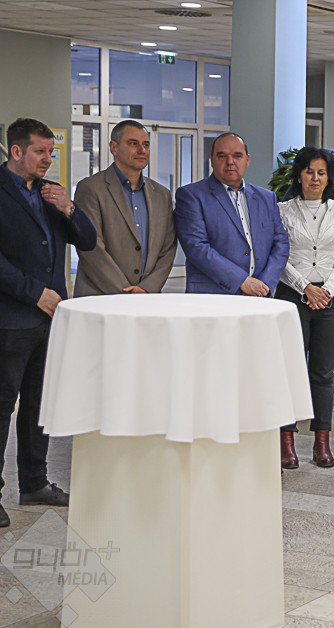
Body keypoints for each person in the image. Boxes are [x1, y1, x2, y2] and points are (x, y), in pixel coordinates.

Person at [0, 118, 97, 526]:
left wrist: (70, 208)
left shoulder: (49, 193)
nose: (47, 159)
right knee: (2, 406)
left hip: (50, 321)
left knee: (39, 405)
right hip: (12, 319)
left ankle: (34, 482)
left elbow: (88, 241)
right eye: (40, 151)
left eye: (50, 152)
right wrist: (34, 292)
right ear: (16, 151)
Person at [275, 147, 334, 470]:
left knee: (323, 372)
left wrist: (327, 291)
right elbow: (278, 256)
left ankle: (322, 442)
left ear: (328, 177)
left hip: (330, 299)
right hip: (292, 296)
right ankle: (286, 441)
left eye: (321, 172)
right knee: (289, 369)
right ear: (299, 175)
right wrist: (305, 287)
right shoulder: (282, 210)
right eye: (309, 172)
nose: (315, 178)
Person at [174, 132, 289, 296]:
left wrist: (265, 284)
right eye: (222, 156)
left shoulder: (266, 198)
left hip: (260, 296)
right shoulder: (191, 196)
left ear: (247, 160)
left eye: (237, 156)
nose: (230, 162)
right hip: (212, 297)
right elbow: (197, 247)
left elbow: (281, 244)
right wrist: (242, 281)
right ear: (212, 160)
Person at [73, 119, 177, 296]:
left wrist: (147, 288)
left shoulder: (162, 195)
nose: (142, 150)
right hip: (100, 297)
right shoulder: (91, 188)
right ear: (114, 148)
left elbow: (168, 249)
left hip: (146, 297)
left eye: (146, 145)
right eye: (133, 143)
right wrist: (126, 294)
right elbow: (91, 249)